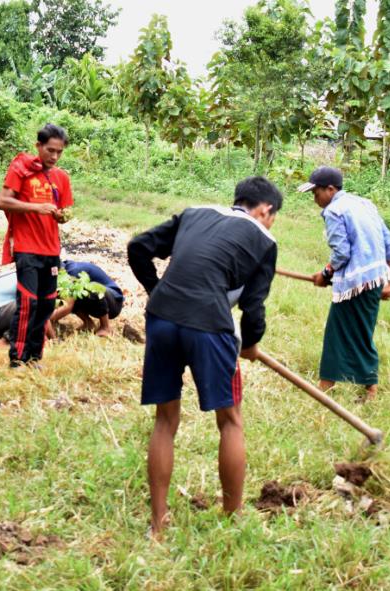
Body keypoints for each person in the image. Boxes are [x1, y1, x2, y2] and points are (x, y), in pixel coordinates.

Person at [127, 176, 282, 533]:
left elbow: (138, 247)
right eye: (273, 217)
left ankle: (158, 524)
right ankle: (232, 517)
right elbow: (253, 308)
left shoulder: (194, 213)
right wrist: (250, 344)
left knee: (165, 421)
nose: (271, 223)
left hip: (162, 318)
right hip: (210, 325)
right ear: (265, 210)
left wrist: (157, 290)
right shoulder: (264, 241)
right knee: (230, 420)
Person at [299, 166, 390, 400]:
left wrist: (324, 274)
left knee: (340, 332)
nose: (315, 199)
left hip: (356, 283)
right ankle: (355, 386)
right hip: (374, 280)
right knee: (359, 332)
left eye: (316, 193)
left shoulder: (334, 210)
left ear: (331, 189)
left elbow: (342, 253)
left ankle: (331, 385)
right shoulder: (364, 204)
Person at [0, 123, 74, 368]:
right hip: (26, 247)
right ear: (38, 146)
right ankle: (17, 357)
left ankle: (34, 356)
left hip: (51, 249)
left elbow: (63, 210)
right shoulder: (21, 168)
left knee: (47, 304)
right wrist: (35, 207)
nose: (54, 156)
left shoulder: (61, 178)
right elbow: (3, 202)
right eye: (50, 150)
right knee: (28, 302)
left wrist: (60, 216)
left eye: (59, 152)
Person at [49, 260, 124, 338]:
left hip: (114, 301)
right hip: (99, 303)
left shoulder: (73, 272)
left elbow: (68, 306)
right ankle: (88, 323)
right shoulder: (59, 272)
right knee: (68, 293)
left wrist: (44, 320)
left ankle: (105, 327)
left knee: (86, 289)